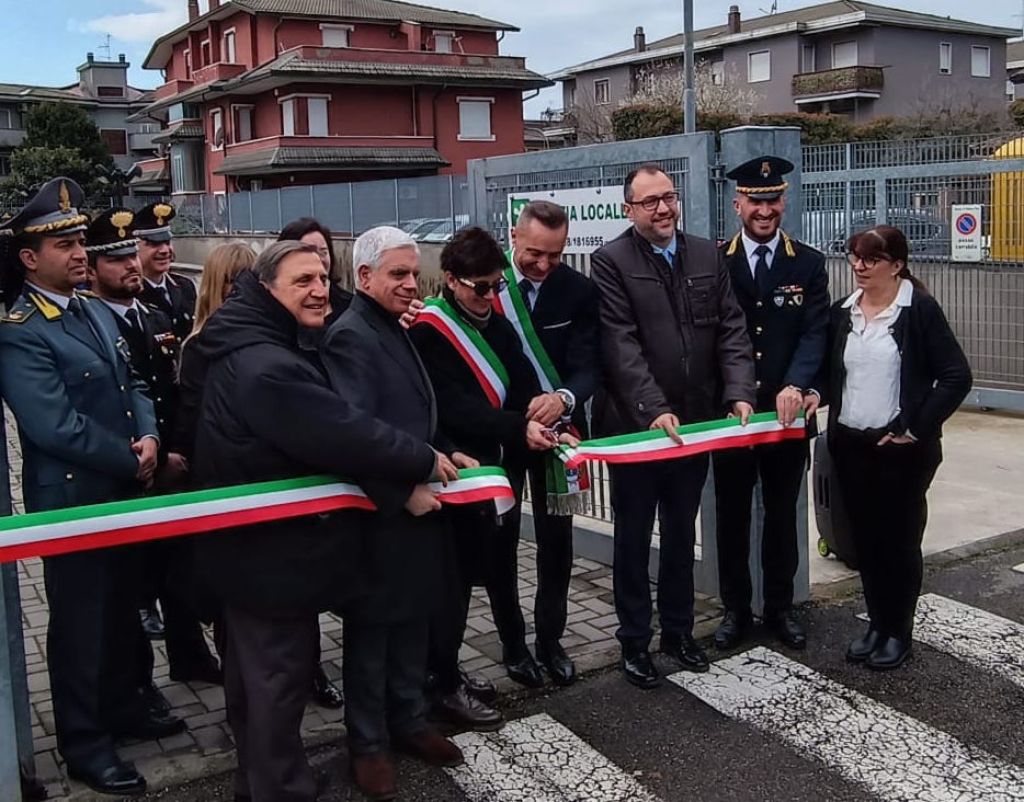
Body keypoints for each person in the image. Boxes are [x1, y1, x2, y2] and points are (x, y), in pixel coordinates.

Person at [190, 240, 452, 802]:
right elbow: (341, 429)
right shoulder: (267, 364)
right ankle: (281, 788)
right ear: (266, 290)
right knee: (275, 684)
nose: (319, 291)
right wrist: (421, 461)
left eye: (321, 278)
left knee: (258, 685)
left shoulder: (259, 340)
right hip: (268, 557)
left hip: (256, 554)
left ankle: (266, 781)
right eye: (302, 281)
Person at [0, 178, 184, 796]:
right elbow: (51, 424)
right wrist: (127, 458)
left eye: (81, 241)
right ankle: (82, 742)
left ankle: (126, 708)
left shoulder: (86, 309)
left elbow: (133, 380)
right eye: (66, 245)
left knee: (125, 610)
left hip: (126, 484)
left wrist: (151, 437)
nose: (81, 252)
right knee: (80, 624)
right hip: (75, 498)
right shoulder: (21, 327)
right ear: (30, 258)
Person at [590, 163, 756, 690]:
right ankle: (635, 641)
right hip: (638, 429)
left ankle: (679, 634)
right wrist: (651, 408)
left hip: (695, 424)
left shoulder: (707, 254)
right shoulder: (610, 261)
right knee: (634, 538)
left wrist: (739, 392)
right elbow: (620, 343)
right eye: (649, 202)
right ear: (628, 210)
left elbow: (730, 327)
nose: (663, 209)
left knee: (682, 533)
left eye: (668, 197)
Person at [322, 226, 470, 800]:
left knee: (414, 620)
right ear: (364, 278)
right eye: (398, 275)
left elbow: (411, 409)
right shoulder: (350, 336)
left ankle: (409, 721)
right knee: (374, 633)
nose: (412, 285)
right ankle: (367, 743)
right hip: (380, 515)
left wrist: (444, 448)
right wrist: (401, 490)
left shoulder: (392, 324)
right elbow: (355, 432)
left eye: (414, 274)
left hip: (418, 505)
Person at [411, 227, 562, 730]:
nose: (491, 296)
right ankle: (443, 677)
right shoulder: (430, 330)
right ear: (451, 280)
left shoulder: (494, 320)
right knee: (455, 583)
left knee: (500, 563)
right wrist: (520, 428)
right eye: (480, 287)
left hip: (502, 464)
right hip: (461, 473)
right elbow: (456, 408)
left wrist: (539, 417)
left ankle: (487, 658)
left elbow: (518, 377)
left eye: (497, 286)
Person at [84, 209, 221, 690]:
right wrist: (152, 460)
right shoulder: (89, 322)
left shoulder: (156, 313)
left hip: (169, 461)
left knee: (179, 571)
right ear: (94, 267)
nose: (131, 265)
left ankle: (190, 658)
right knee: (132, 584)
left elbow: (172, 391)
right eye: (118, 258)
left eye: (130, 255)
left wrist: (175, 452)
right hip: (130, 469)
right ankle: (135, 688)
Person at [827, 225, 971, 671]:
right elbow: (833, 376)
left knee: (898, 542)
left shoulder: (918, 310)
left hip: (899, 449)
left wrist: (915, 427)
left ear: (897, 264)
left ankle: (898, 631)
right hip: (851, 444)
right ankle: (876, 623)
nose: (859, 266)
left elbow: (955, 376)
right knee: (865, 542)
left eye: (871, 258)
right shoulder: (843, 312)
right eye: (854, 256)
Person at [712, 156, 830, 651]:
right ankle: (736, 611)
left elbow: (815, 332)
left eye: (773, 200)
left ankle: (780, 609)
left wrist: (799, 385)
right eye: (756, 201)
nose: (765, 210)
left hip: (786, 416)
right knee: (732, 518)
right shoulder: (715, 260)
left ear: (784, 201)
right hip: (733, 416)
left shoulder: (808, 262)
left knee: (782, 518)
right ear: (738, 203)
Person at [502, 200, 601, 686]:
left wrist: (563, 399)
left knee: (556, 542)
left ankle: (550, 639)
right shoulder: (488, 287)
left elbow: (589, 364)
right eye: (534, 254)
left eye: (555, 256)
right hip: (502, 436)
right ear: (514, 237)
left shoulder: (579, 291)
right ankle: (512, 645)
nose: (543, 266)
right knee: (499, 543)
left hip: (559, 434)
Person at [135, 202, 197, 342]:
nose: (164, 250)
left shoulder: (185, 286)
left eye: (167, 242)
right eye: (154, 244)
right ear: (135, 248)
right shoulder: (132, 293)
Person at [278, 216, 353, 325]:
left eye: (323, 252)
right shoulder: (277, 306)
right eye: (309, 251)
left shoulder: (349, 305)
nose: (318, 258)